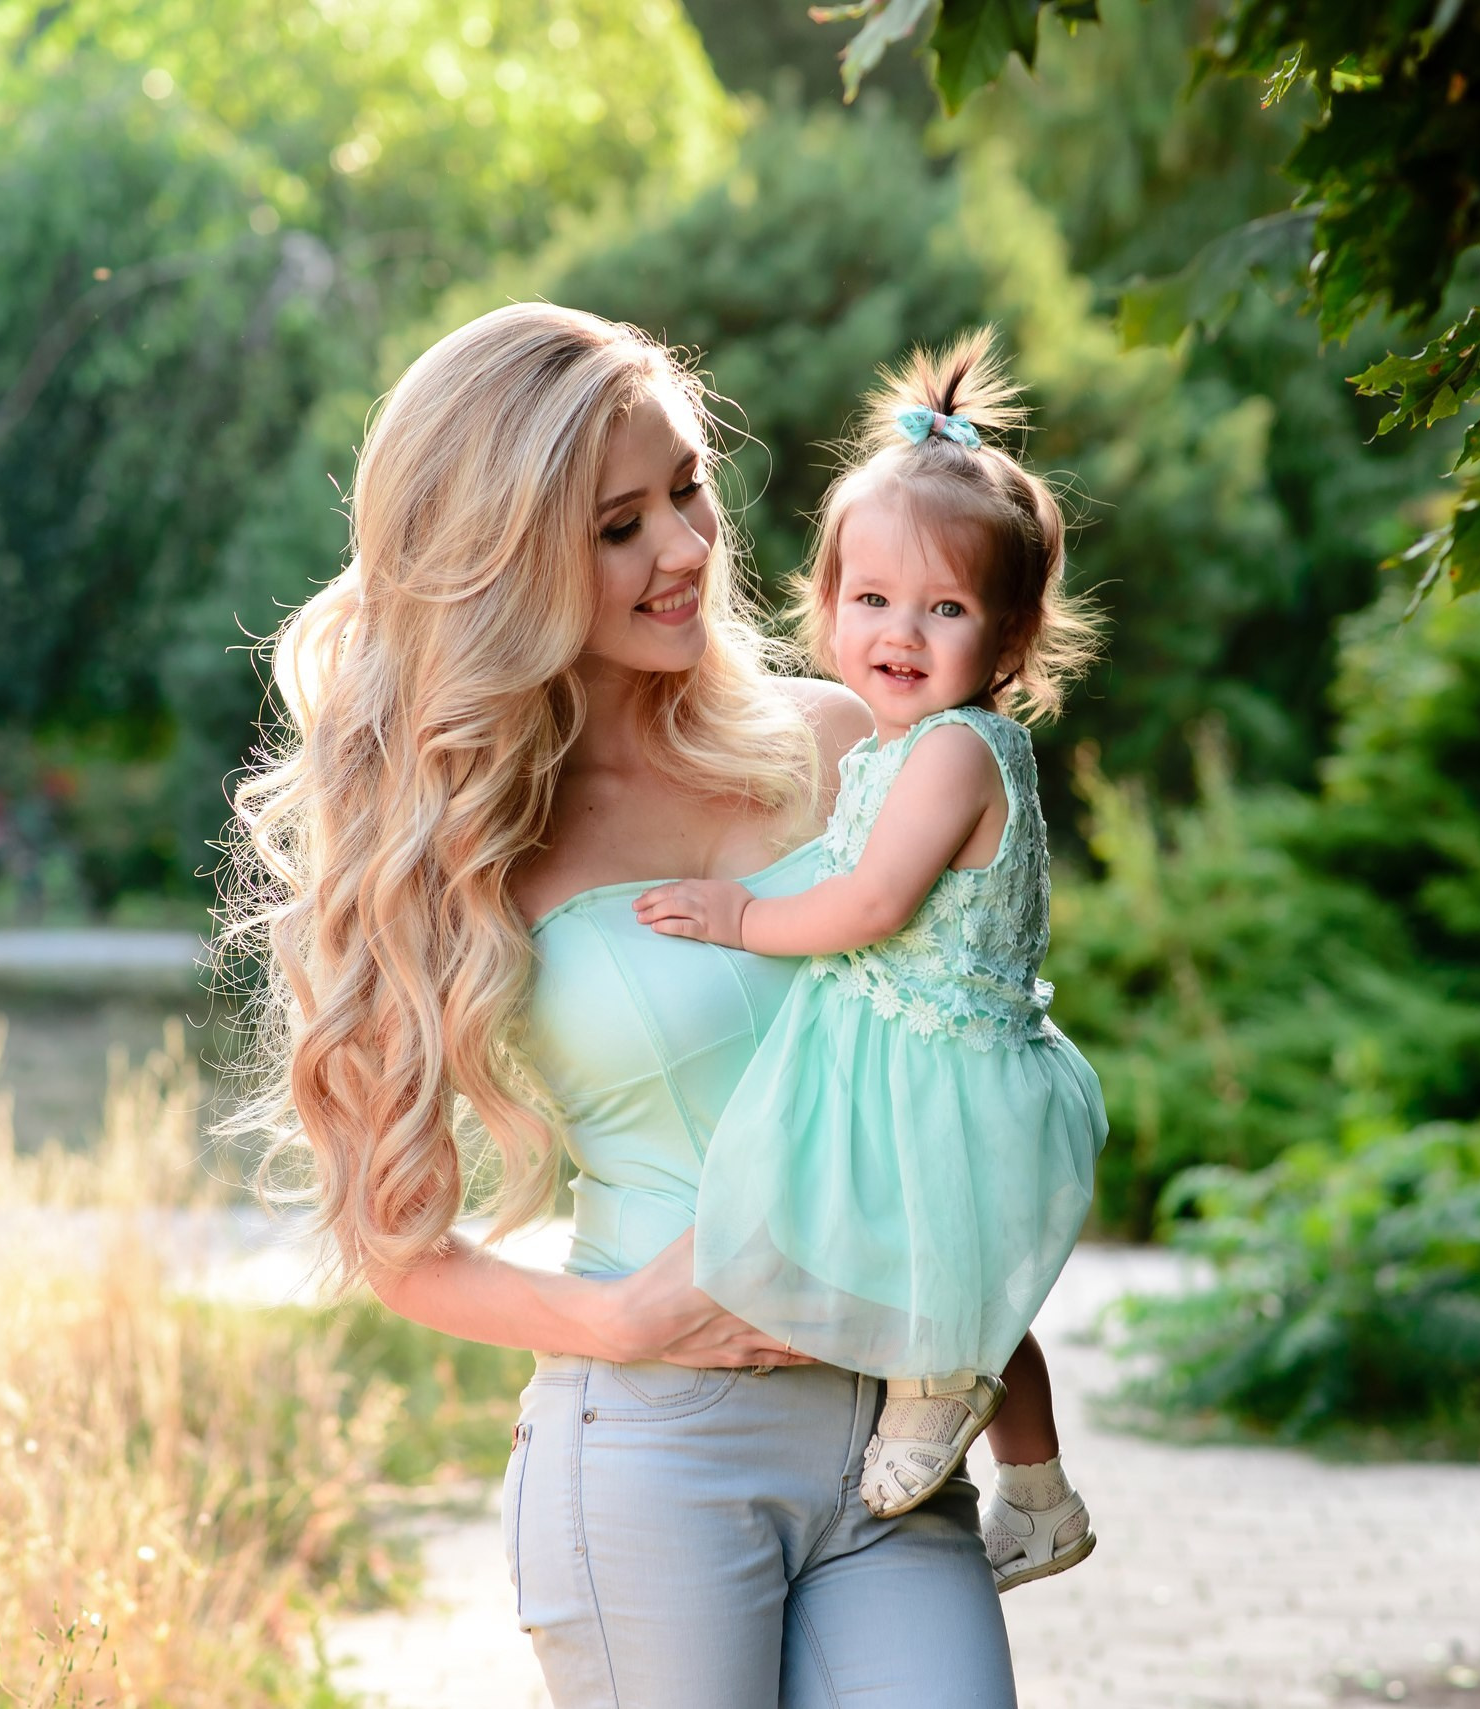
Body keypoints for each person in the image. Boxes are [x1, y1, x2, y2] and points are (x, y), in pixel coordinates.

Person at [226, 302, 1018, 1707]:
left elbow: (967, 1036)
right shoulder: (465, 847)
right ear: (507, 561)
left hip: (897, 1442)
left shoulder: (849, 745)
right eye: (617, 525)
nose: (689, 548)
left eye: (688, 488)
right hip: (658, 1455)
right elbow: (391, 1243)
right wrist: (621, 1322)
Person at [633, 330, 1107, 1593]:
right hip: (937, 1049)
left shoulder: (954, 749)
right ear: (827, 600)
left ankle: (926, 1390)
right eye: (871, 599)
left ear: (1007, 638)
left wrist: (737, 917)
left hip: (943, 1064)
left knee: (943, 1289)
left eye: (944, 609)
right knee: (977, 1284)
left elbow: (871, 898)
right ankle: (1044, 1496)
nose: (900, 631)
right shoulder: (905, 741)